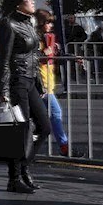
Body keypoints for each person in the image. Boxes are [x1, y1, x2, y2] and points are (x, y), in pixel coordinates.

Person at [0, 0, 50, 193]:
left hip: (30, 80)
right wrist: (3, 89)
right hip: (17, 82)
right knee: (20, 131)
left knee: (44, 127)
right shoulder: (7, 24)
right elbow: (4, 59)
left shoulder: (29, 22)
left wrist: (39, 82)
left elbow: (34, 55)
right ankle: (15, 178)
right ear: (18, 3)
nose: (33, 2)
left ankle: (24, 167)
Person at [34, 8, 69, 156]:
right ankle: (64, 146)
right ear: (40, 23)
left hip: (47, 83)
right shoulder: (36, 39)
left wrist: (73, 57)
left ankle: (29, 148)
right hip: (41, 84)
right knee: (55, 113)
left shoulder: (48, 38)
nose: (50, 25)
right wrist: (43, 53)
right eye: (47, 22)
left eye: (51, 22)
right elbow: (30, 57)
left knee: (41, 120)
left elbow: (58, 55)